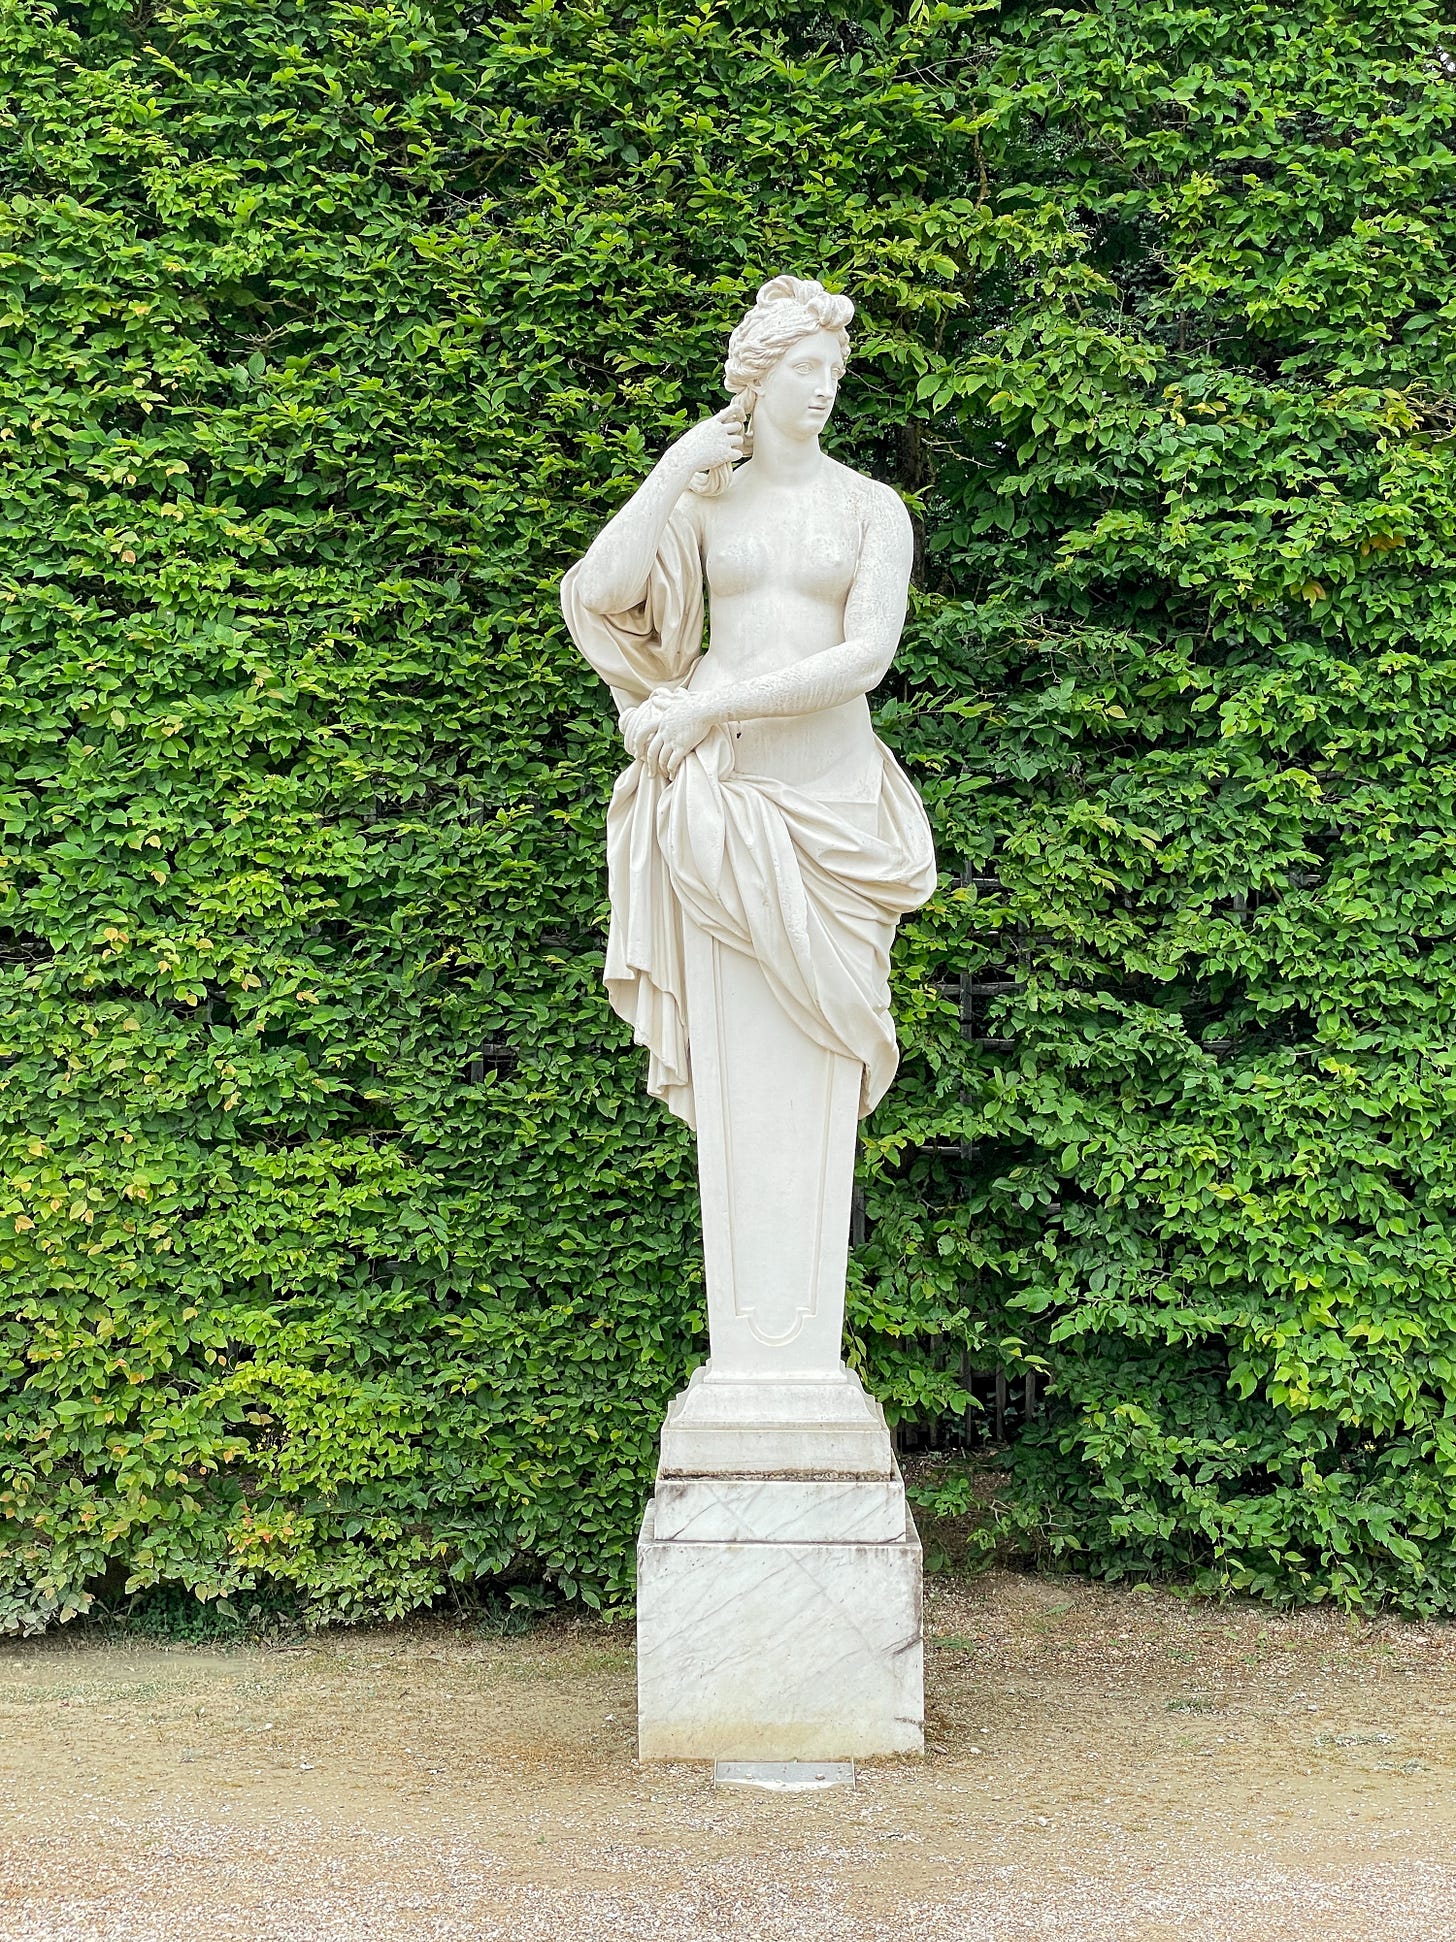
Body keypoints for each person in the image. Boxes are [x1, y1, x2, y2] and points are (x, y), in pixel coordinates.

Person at [561, 276, 936, 1137]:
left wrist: (710, 704)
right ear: (756, 379)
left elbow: (866, 657)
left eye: (833, 370)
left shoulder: (869, 507)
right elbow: (603, 593)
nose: (823, 388)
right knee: (740, 1058)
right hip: (722, 794)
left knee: (823, 1052)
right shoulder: (708, 503)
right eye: (805, 367)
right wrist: (676, 466)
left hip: (830, 793)